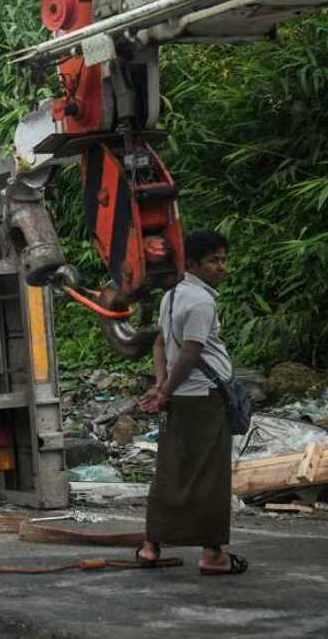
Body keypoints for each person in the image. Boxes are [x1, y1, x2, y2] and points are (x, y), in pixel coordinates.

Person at [137, 230, 248, 576]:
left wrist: (161, 386)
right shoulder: (201, 301)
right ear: (195, 263)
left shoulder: (172, 295)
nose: (222, 267)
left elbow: (159, 344)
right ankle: (213, 555)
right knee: (210, 478)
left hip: (184, 397)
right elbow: (189, 352)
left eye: (224, 260)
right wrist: (165, 390)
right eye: (215, 261)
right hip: (203, 398)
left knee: (171, 472)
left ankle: (150, 547)